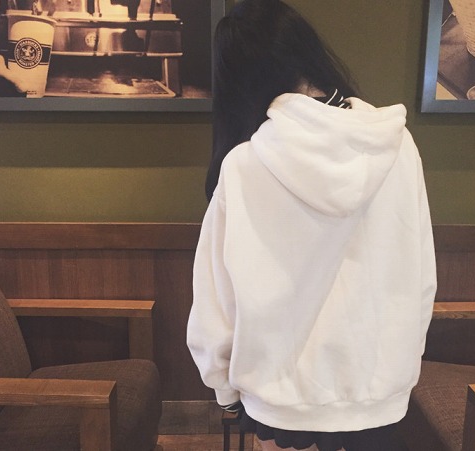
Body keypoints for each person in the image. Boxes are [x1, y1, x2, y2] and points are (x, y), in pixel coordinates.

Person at [187, 1, 437, 450]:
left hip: (279, 398)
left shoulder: (245, 165)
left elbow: (217, 298)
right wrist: (402, 366)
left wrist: (223, 387)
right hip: (380, 394)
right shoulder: (398, 146)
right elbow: (421, 278)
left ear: (239, 80)